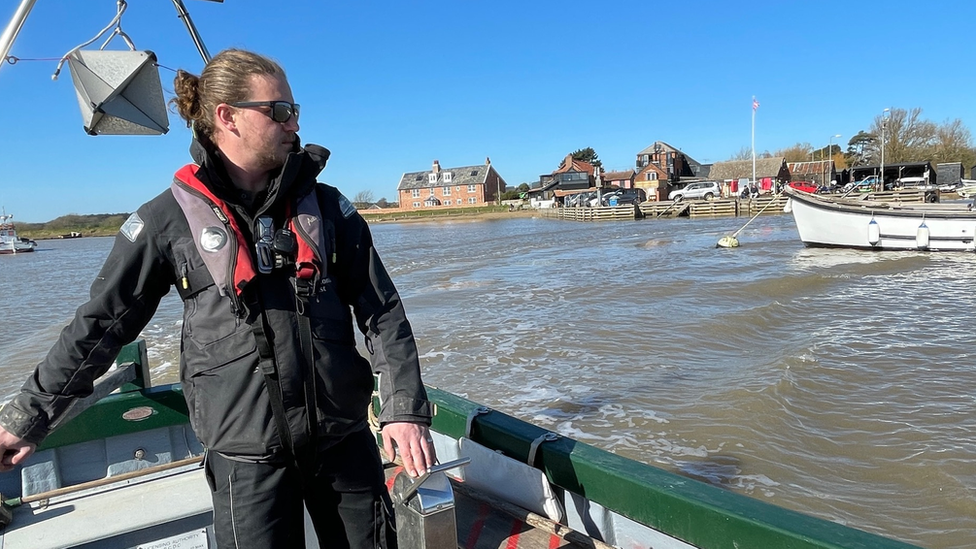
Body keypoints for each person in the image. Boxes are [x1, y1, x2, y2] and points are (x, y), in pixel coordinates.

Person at [0, 49, 435, 548]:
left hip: (342, 445)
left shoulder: (330, 209)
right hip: (245, 463)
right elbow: (100, 326)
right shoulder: (166, 221)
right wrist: (27, 418)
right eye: (279, 110)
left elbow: (382, 312)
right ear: (226, 117)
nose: (294, 122)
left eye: (294, 110)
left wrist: (403, 408)